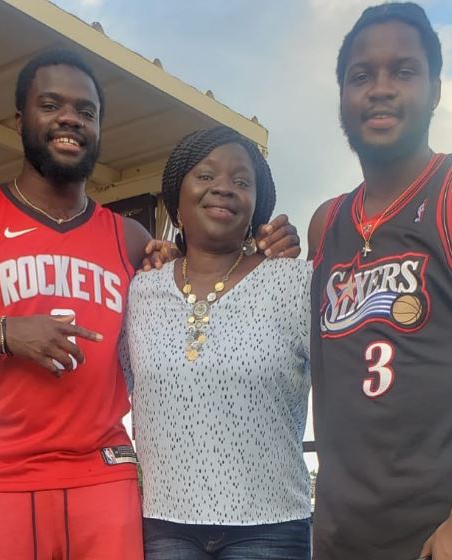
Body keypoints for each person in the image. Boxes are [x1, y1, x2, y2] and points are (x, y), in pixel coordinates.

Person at [0, 50, 299, 559]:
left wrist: (261, 248)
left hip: (103, 476)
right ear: (21, 119)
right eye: (51, 104)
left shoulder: (130, 239)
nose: (70, 119)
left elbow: (192, 273)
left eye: (86, 111)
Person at [307, 3, 452, 559]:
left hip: (439, 535)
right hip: (340, 534)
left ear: (433, 90)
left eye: (403, 71)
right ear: (342, 96)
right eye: (362, 75)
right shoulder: (326, 222)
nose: (380, 88)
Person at [122, 126, 312, 560]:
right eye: (206, 176)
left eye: (242, 182)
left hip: (271, 527)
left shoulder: (296, 281)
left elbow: (345, 387)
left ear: (257, 205)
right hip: (165, 526)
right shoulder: (140, 290)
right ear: (177, 197)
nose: (223, 188)